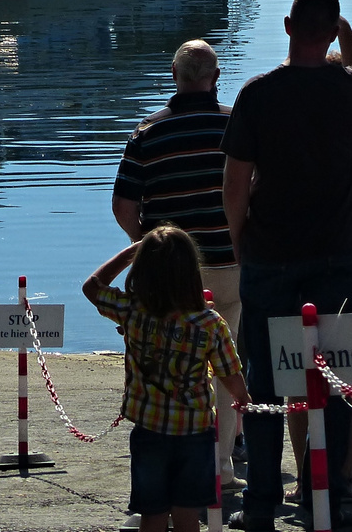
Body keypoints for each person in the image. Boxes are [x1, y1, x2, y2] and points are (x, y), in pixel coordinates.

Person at [221, 0, 352, 532]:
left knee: (264, 381)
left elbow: (235, 182)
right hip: (335, 255)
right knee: (333, 384)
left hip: (270, 253)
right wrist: (346, 33)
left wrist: (241, 240)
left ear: (287, 26)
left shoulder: (257, 95)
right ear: (332, 32)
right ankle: (326, 497)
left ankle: (263, 500)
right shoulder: (348, 87)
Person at [113, 40, 244, 491]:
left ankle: (170, 458)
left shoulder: (147, 133)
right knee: (228, 366)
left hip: (168, 274)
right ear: (217, 77)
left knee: (166, 361)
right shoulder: (237, 127)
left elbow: (124, 205)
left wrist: (145, 246)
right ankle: (220, 465)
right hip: (231, 265)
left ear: (174, 75)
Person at [84, 226, 250, 532]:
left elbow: (92, 288)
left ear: (142, 272)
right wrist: (242, 398)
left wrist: (127, 255)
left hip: (149, 433)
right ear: (192, 272)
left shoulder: (133, 312)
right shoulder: (210, 324)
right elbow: (230, 374)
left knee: (152, 514)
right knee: (188, 515)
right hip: (195, 434)